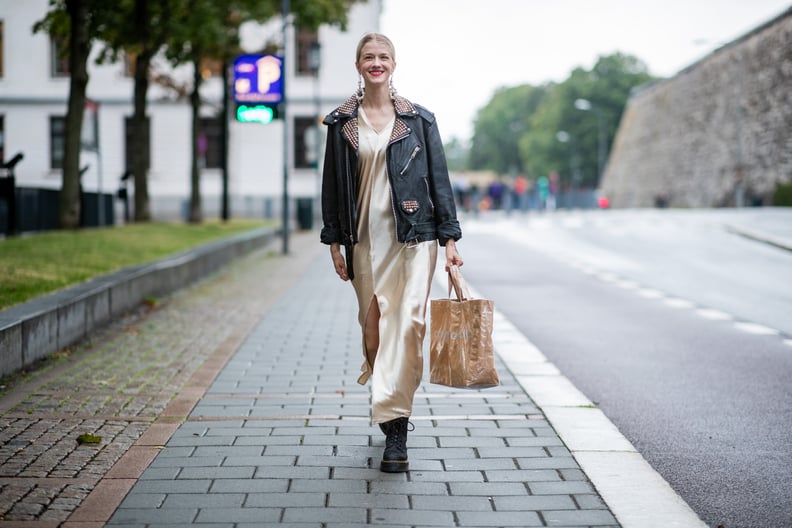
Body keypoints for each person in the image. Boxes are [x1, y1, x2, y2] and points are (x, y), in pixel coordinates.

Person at [320, 33, 463, 473]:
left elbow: (439, 181)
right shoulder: (341, 122)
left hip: (414, 238)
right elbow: (331, 186)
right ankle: (387, 397)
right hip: (364, 239)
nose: (376, 63)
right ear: (359, 65)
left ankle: (396, 426)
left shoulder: (419, 120)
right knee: (375, 329)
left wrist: (450, 239)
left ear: (394, 64)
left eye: (383, 57)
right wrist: (334, 242)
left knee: (410, 325)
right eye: (368, 57)